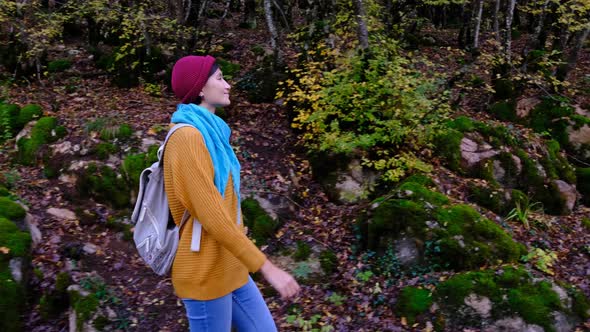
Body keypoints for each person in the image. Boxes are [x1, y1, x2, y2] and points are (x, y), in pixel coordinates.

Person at [163, 55, 300, 332]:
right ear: (201, 88)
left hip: (230, 265)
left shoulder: (214, 135)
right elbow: (212, 215)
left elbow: (226, 207)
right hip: (205, 273)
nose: (227, 85)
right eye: (220, 78)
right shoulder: (187, 138)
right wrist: (267, 267)